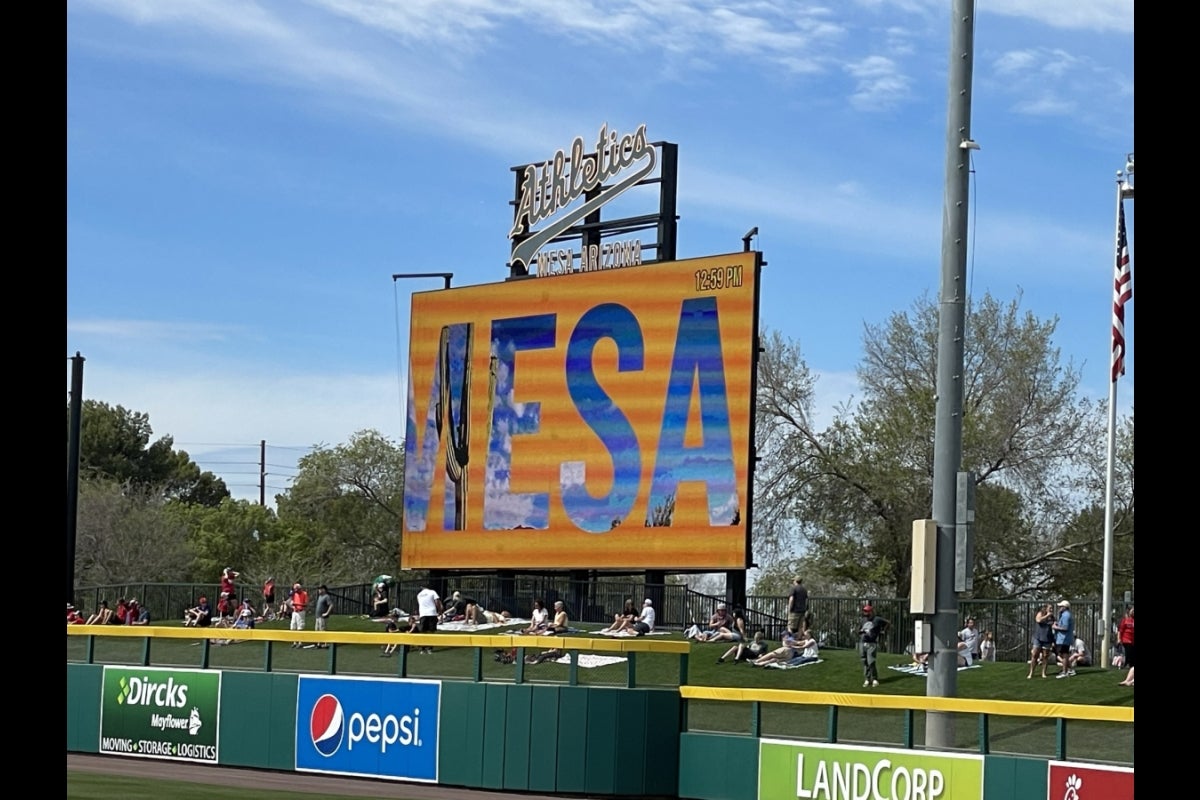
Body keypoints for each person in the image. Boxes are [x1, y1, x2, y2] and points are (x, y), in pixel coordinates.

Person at [858, 604, 889, 688]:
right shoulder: (863, 620)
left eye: (867, 611)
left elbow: (887, 623)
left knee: (871, 662)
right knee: (865, 662)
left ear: (871, 612)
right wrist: (861, 632)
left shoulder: (877, 619)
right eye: (864, 611)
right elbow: (860, 629)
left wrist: (883, 631)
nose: (865, 613)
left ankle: (874, 679)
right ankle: (867, 679)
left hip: (872, 643)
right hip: (863, 642)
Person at [1026, 603, 1055, 679]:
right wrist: (1047, 616)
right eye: (1050, 608)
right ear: (1046, 608)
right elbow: (1038, 620)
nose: (1051, 610)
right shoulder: (1040, 614)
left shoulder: (1052, 617)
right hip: (1038, 638)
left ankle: (1043, 673)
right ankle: (1031, 672)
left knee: (1045, 656)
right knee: (1035, 655)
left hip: (1047, 639)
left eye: (1052, 608)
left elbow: (1053, 626)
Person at [416, 582, 442, 654]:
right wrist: (439, 611)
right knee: (431, 631)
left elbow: (419, 604)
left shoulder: (419, 595)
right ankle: (429, 648)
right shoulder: (432, 592)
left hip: (423, 614)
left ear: (422, 587)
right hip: (432, 613)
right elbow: (437, 602)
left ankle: (422, 648)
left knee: (423, 631)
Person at [1052, 600, 1075, 677]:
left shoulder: (1066, 615)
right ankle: (1070, 670)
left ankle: (1065, 672)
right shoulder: (1065, 615)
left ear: (1065, 607)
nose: (1059, 608)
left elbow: (1065, 628)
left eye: (1061, 606)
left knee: (1064, 655)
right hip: (1062, 638)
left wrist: (1055, 627)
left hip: (1064, 639)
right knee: (1064, 655)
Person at [1117, 605, 1135, 686]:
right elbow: (1120, 631)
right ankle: (1128, 680)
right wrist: (1119, 639)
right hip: (1126, 640)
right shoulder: (1125, 620)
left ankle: (1129, 681)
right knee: (1128, 655)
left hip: (1133, 641)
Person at [289, 582, 309, 647]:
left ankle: (300, 642)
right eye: (295, 589)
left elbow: (306, 604)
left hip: (301, 612)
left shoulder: (304, 594)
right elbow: (291, 601)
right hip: (295, 612)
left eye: (297, 589)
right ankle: (294, 642)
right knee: (293, 626)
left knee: (300, 627)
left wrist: (297, 604)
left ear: (300, 589)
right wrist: (292, 604)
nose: (296, 591)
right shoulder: (294, 594)